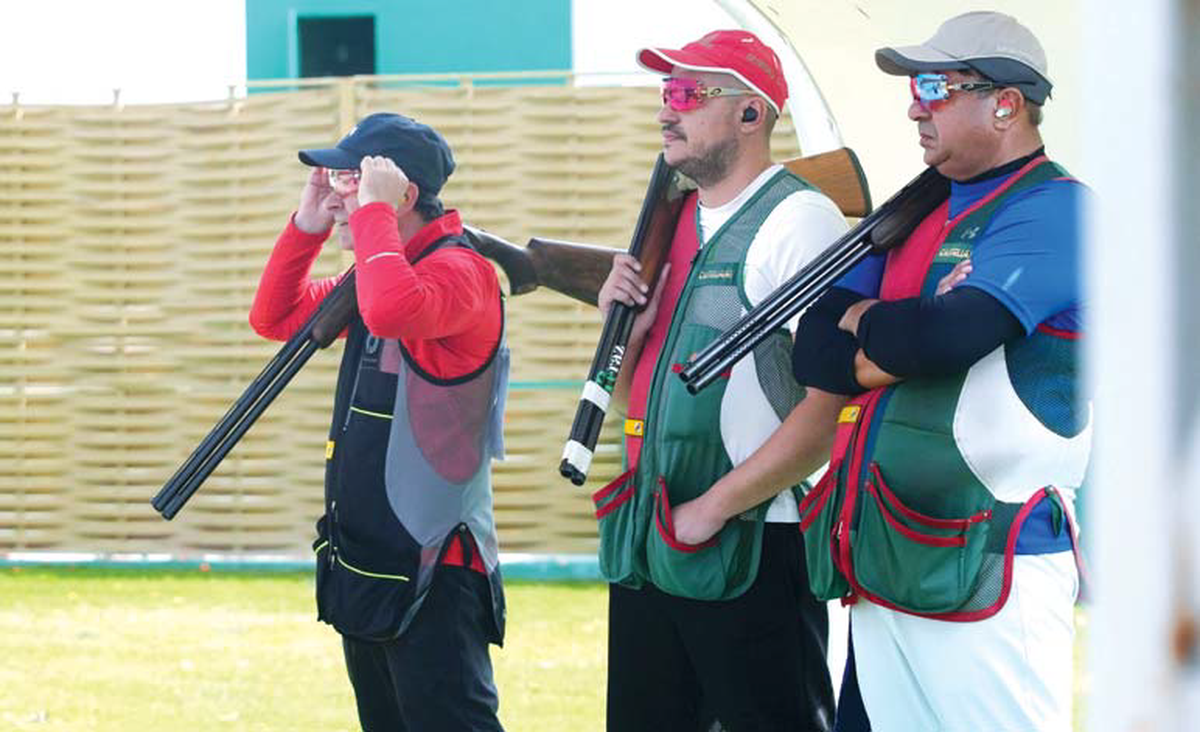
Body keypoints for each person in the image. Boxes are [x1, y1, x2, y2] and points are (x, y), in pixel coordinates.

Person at [678, 11, 1089, 731]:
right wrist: (892, 340)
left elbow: (946, 339)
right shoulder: (914, 208)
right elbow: (814, 349)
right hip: (883, 553)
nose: (913, 105)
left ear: (1005, 102)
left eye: (935, 86)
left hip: (994, 554)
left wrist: (872, 326)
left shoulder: (1057, 208)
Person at [594, 29, 848, 731]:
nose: (665, 112)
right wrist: (626, 344)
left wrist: (713, 509)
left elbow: (828, 412)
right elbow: (640, 401)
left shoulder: (799, 220)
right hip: (652, 538)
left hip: (754, 542)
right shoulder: (671, 222)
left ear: (750, 114)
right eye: (664, 95)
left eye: (686, 93)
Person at [248, 112, 508, 731]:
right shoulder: (379, 269)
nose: (338, 198)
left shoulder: (460, 272)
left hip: (435, 571)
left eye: (349, 183)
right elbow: (275, 317)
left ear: (401, 195)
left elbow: (393, 311)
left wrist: (370, 215)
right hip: (370, 564)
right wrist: (306, 225)